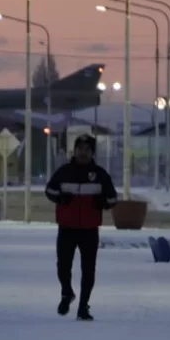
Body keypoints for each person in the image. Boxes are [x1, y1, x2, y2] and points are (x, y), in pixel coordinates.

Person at [45, 134, 117, 320]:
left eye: (87, 149)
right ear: (74, 151)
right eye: (80, 149)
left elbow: (113, 199)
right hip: (66, 228)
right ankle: (66, 293)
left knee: (88, 269)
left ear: (92, 153)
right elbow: (49, 191)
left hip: (89, 229)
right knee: (63, 266)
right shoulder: (64, 172)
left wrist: (102, 202)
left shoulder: (100, 175)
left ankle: (83, 307)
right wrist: (61, 198)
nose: (83, 153)